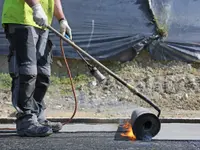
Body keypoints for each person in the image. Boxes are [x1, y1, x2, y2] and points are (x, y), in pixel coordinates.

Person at [1, 0, 72, 137]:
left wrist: (62, 19)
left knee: (42, 73)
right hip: (21, 19)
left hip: (41, 22)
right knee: (27, 72)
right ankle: (26, 120)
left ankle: (38, 117)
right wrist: (36, 6)